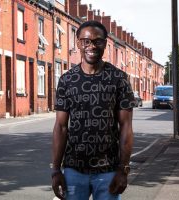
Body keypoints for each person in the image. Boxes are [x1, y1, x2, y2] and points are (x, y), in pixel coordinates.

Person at [52, 20, 135, 200]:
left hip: (108, 170)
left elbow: (126, 127)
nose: (92, 46)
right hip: (74, 169)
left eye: (98, 41)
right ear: (78, 43)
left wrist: (123, 170)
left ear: (105, 44)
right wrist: (56, 170)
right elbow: (60, 127)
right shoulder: (67, 81)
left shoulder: (119, 79)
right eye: (86, 41)